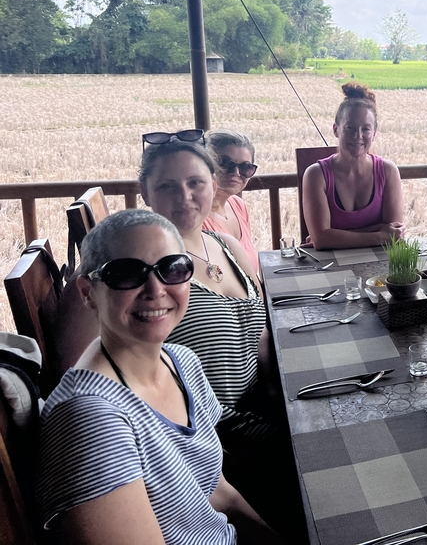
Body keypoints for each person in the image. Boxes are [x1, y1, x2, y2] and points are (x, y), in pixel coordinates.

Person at [37, 209, 284, 544]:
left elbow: (216, 492)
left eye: (173, 268)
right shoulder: (93, 420)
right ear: (87, 292)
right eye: (126, 273)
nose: (155, 289)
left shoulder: (182, 363)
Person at [139, 133, 269, 442]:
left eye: (195, 183)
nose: (184, 197)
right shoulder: (136, 268)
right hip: (210, 435)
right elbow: (86, 376)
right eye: (167, 186)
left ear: (213, 183)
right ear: (146, 192)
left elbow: (263, 334)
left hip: (263, 406)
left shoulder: (228, 246)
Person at [302, 83, 405, 249]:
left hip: (379, 267)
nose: (358, 136)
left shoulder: (388, 171)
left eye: (366, 129)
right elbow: (321, 241)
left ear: (374, 133)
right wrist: (379, 234)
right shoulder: (316, 175)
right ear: (336, 130)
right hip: (330, 267)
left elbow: (394, 233)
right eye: (350, 128)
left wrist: (334, 235)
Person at [203, 129, 259, 270]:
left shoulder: (237, 205)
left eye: (246, 167)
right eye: (226, 164)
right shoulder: (198, 216)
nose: (236, 173)